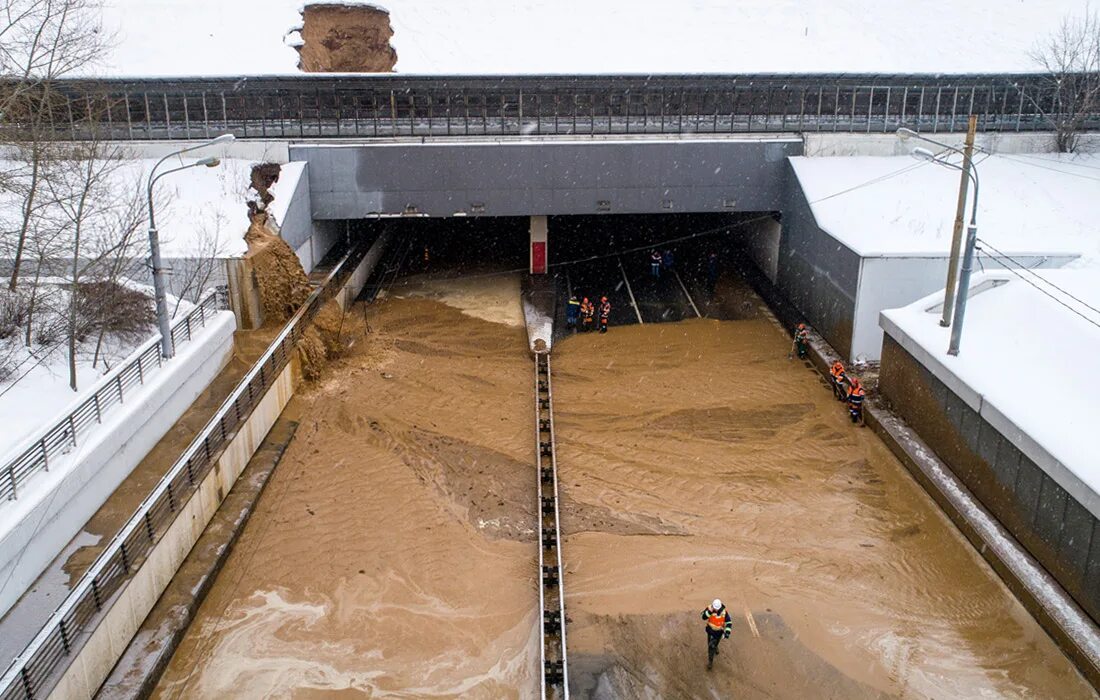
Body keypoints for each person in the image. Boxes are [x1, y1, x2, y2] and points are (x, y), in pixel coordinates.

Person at [700, 598, 732, 670]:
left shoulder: (724, 612)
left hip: (719, 632)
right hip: (711, 631)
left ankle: (716, 646)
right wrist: (709, 612)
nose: (715, 610)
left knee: (716, 643)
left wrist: (727, 632)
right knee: (710, 646)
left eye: (716, 608)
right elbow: (703, 617)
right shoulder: (709, 609)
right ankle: (710, 661)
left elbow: (729, 622)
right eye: (714, 608)